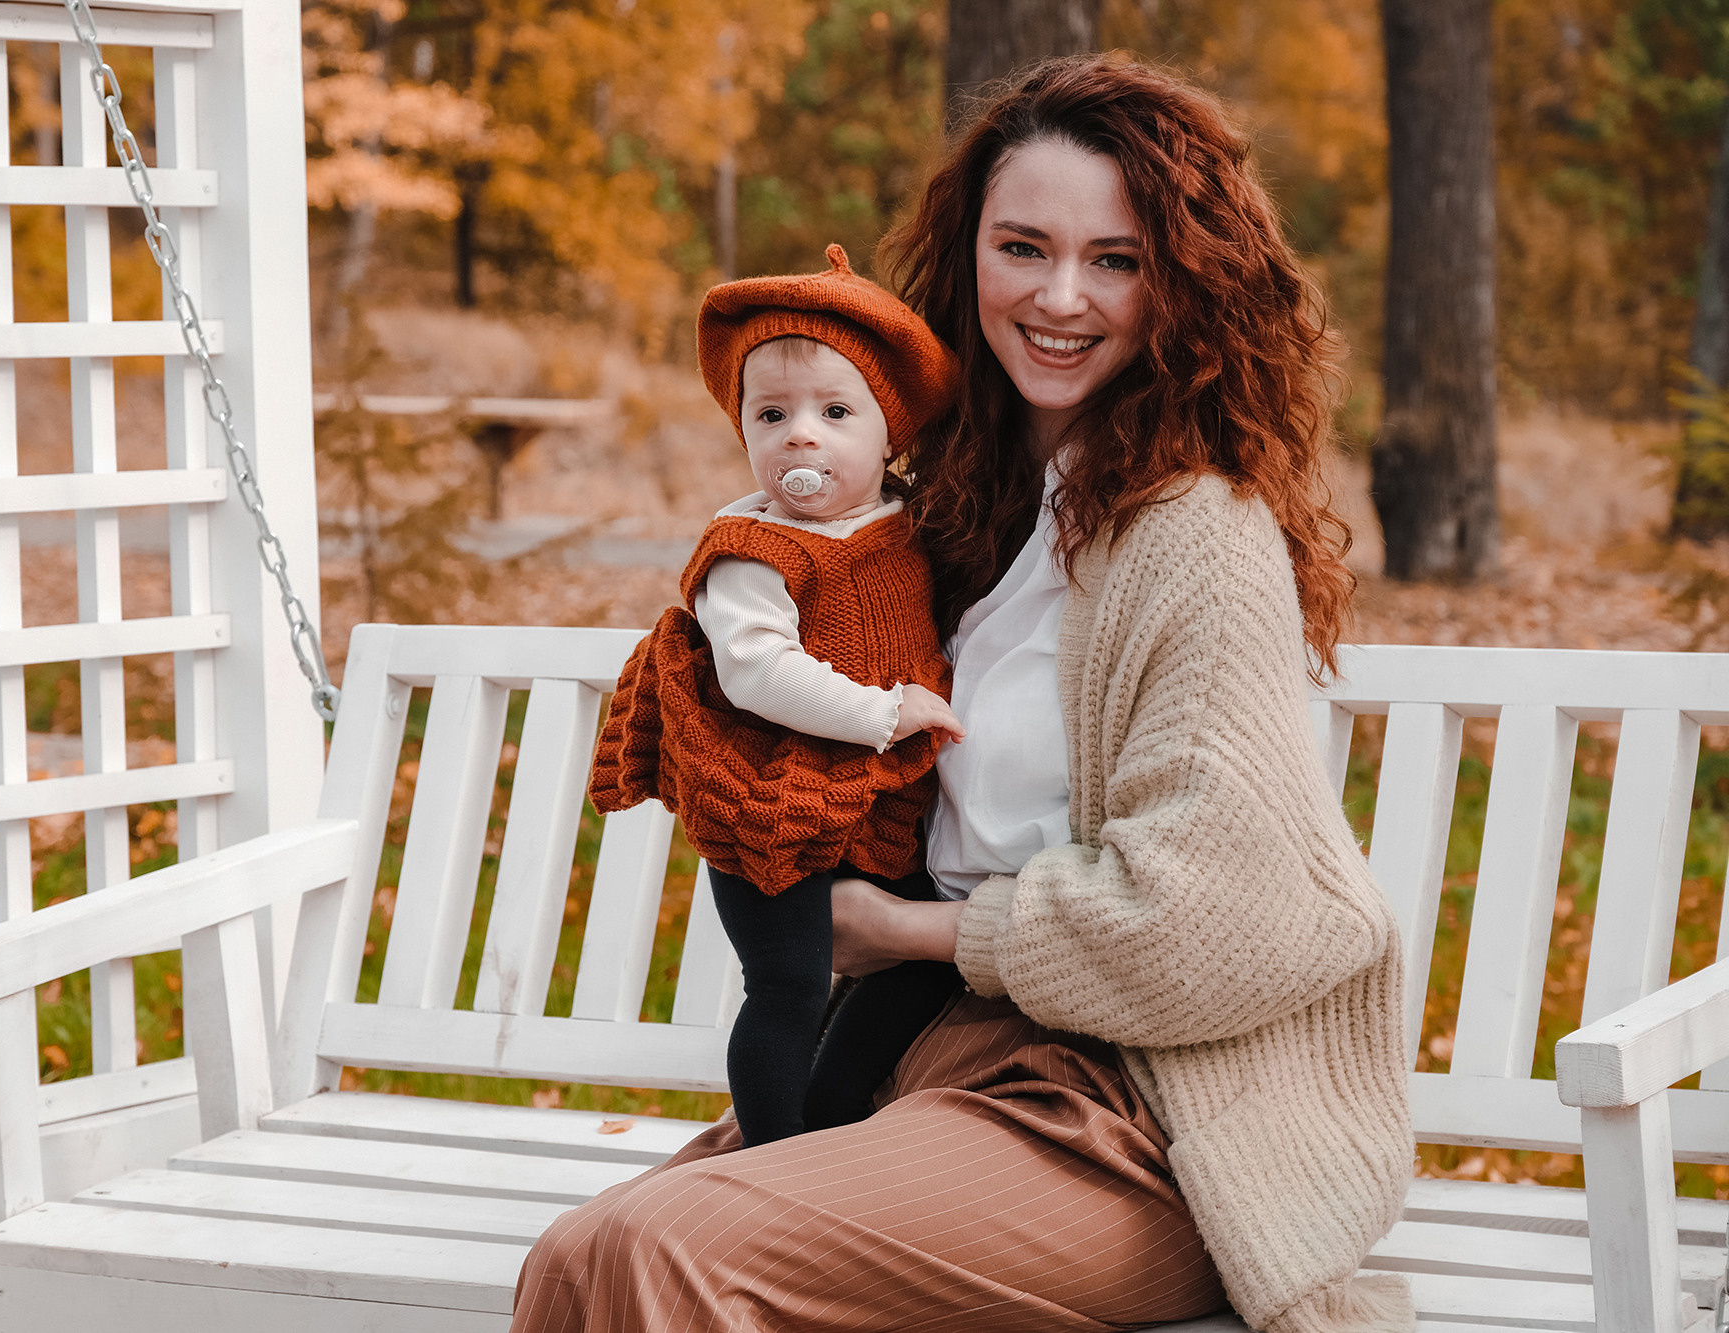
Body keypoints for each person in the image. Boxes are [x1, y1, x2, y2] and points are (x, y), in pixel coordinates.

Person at [518, 55, 1413, 1333]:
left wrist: (906, 934)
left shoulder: (1193, 536)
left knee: (664, 1257)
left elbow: (1229, 914)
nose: (1060, 296)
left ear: (1186, 284)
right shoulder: (956, 512)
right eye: (1022, 246)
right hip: (916, 1056)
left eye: (1115, 258)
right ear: (965, 260)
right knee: (580, 1258)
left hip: (1136, 1116)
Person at [591, 245, 969, 1148]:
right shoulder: (752, 550)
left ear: (890, 434)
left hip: (871, 811)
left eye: (835, 411)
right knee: (789, 983)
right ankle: (766, 1152)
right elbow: (756, 670)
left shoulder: (907, 526)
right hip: (768, 805)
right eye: (773, 413)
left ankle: (830, 1115)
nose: (801, 433)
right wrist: (884, 713)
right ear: (746, 432)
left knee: (922, 969)